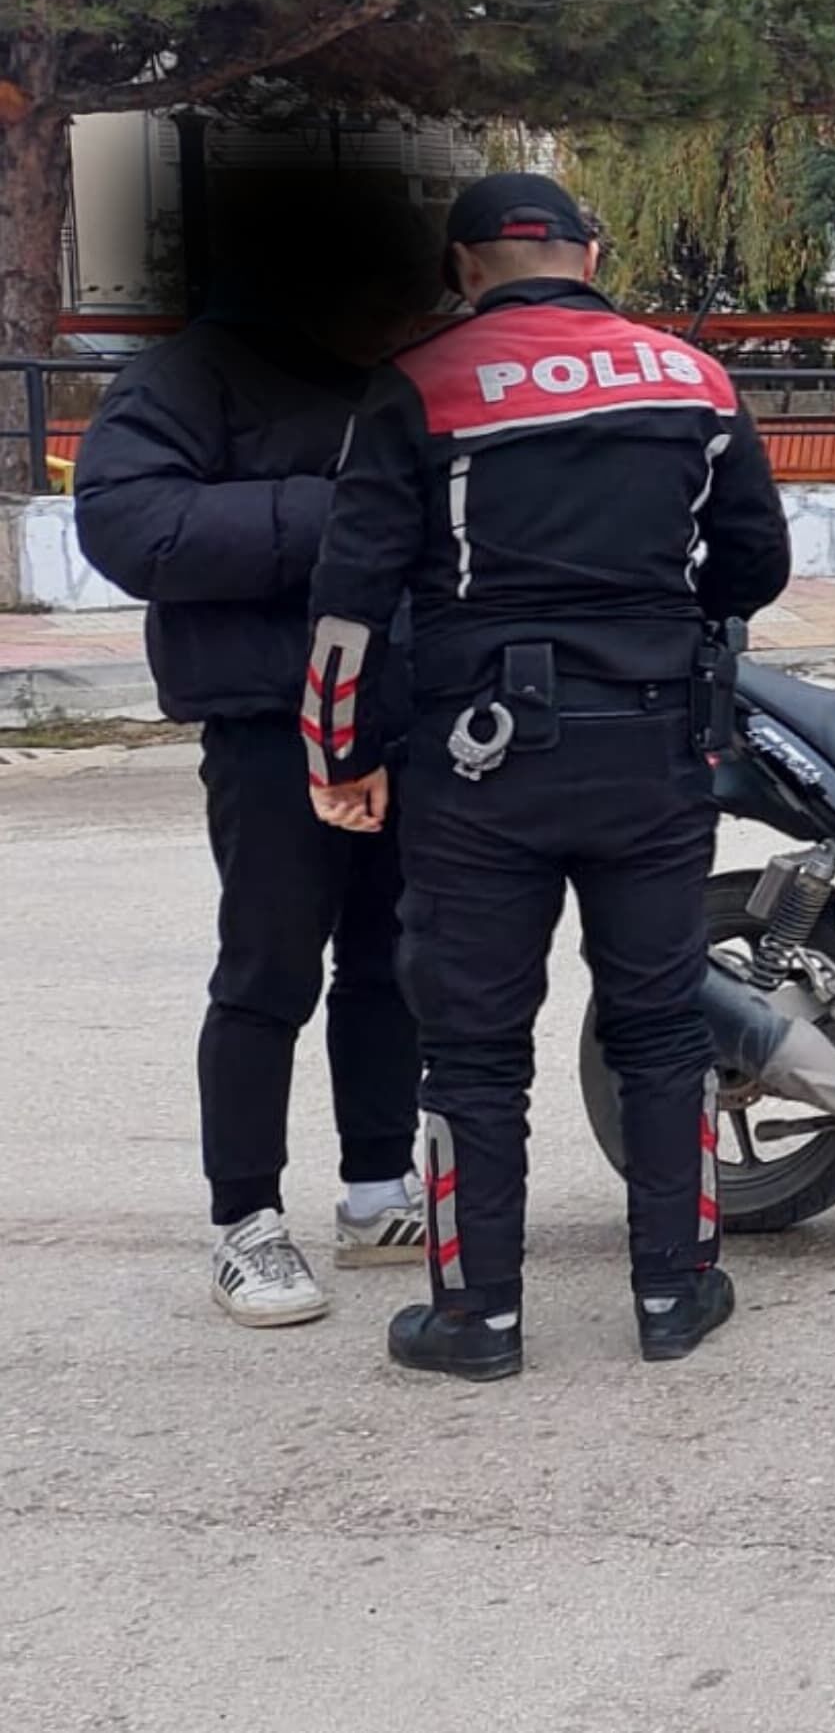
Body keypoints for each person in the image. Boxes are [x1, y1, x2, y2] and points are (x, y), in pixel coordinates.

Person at [304, 173, 793, 1380]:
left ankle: (477, 1319)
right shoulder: (692, 377)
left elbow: (351, 602)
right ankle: (675, 1294)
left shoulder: (420, 382)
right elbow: (755, 562)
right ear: (593, 249)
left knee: (472, 1044)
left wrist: (341, 757)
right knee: (662, 1024)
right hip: (655, 747)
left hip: (480, 762)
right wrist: (672, 629)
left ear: (462, 264)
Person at [73, 171, 436, 1329]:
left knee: (392, 964)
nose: (395, 318)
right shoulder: (191, 370)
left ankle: (377, 1191)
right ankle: (246, 1220)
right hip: (270, 722)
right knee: (268, 971)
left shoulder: (406, 374)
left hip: (406, 713)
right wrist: (343, 511)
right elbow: (135, 525)